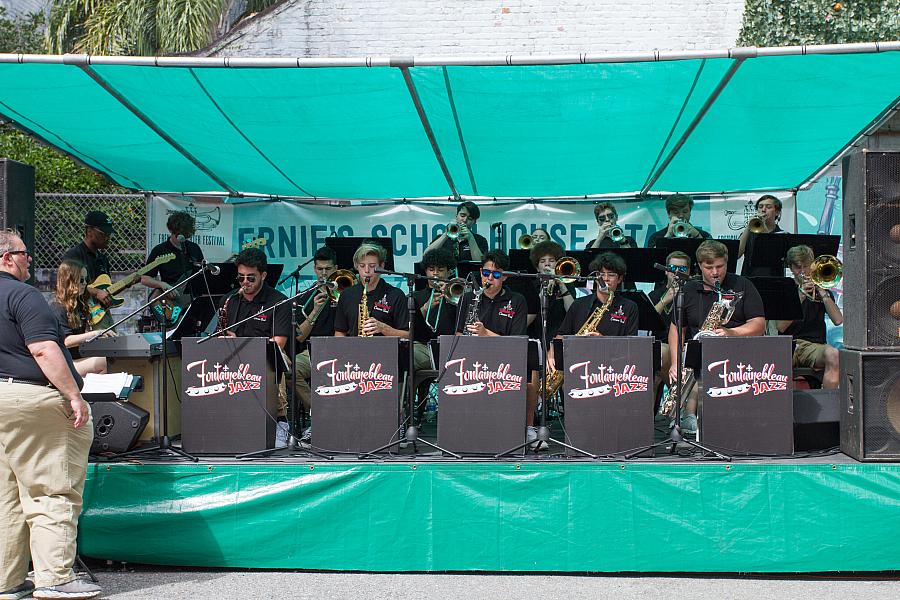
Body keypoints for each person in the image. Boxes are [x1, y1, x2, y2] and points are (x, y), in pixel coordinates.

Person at [0, 230, 102, 600]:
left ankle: (7, 582)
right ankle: (56, 577)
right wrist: (73, 395)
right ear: (7, 258)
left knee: (6, 496)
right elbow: (43, 349)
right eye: (25, 253)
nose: (30, 260)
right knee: (50, 488)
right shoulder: (23, 294)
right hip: (33, 400)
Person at [667, 240, 765, 432]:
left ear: (727, 263)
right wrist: (675, 362)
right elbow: (677, 328)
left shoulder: (742, 285)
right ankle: (684, 415)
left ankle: (691, 414)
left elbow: (758, 324)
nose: (715, 272)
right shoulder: (688, 289)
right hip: (698, 350)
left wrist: (731, 332)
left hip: (737, 349)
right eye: (708, 267)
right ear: (699, 266)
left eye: (720, 266)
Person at [217, 248, 293, 447]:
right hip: (232, 361)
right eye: (241, 278)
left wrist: (240, 340)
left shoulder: (278, 301)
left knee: (277, 363)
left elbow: (278, 343)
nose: (245, 283)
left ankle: (281, 424)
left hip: (267, 359)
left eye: (251, 278)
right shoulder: (229, 300)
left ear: (263, 275)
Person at [64, 210, 169, 321]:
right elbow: (67, 285)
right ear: (89, 231)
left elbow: (107, 291)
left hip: (100, 314)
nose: (108, 237)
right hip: (77, 313)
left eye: (109, 234)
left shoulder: (102, 259)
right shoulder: (74, 255)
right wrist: (96, 293)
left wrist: (128, 283)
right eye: (103, 234)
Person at [523, 241, 575, 445]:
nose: (547, 265)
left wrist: (561, 283)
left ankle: (572, 425)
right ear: (537, 266)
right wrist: (544, 288)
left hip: (561, 342)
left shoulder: (566, 283)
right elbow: (531, 315)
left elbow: (573, 311)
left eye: (552, 261)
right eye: (543, 262)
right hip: (537, 340)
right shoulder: (530, 286)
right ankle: (532, 423)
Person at [776, 245, 843, 389]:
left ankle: (828, 404)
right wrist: (800, 295)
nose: (803, 272)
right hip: (788, 344)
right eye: (798, 268)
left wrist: (822, 291)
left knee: (834, 354)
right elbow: (781, 327)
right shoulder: (785, 289)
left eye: (806, 267)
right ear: (791, 268)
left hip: (813, 346)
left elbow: (838, 320)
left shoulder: (822, 290)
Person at [294, 246, 339, 443]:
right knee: (289, 369)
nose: (324, 273)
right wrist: (314, 312)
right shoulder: (306, 297)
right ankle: (320, 416)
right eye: (320, 269)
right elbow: (299, 337)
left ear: (336, 269)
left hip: (342, 351)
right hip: (313, 351)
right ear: (314, 269)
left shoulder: (347, 291)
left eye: (328, 269)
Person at [49, 259, 110, 378]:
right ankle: (88, 392)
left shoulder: (79, 304)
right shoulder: (58, 307)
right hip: (64, 364)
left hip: (78, 359)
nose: (85, 284)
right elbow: (65, 341)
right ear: (69, 281)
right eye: (81, 280)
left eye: (86, 280)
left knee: (114, 358)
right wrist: (96, 333)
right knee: (106, 362)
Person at [334, 242, 409, 338]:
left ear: (381, 266)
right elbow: (340, 332)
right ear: (356, 266)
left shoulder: (396, 295)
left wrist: (384, 328)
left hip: (386, 350)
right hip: (353, 350)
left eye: (372, 266)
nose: (366, 270)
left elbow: (408, 335)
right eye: (362, 266)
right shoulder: (346, 295)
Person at [647, 251, 691, 405]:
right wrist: (664, 300)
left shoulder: (692, 293)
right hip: (659, 349)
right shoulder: (655, 294)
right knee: (651, 377)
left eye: (683, 269)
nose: (677, 272)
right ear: (666, 271)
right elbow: (646, 322)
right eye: (672, 268)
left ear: (689, 272)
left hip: (685, 347)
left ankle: (679, 406)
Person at [146, 210, 205, 287]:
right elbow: (145, 278)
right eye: (178, 234)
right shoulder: (159, 250)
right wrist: (161, 284)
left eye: (185, 234)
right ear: (170, 229)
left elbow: (202, 274)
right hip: (170, 295)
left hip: (191, 294)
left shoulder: (194, 248)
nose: (182, 237)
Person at [425, 201, 489, 262]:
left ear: (474, 222)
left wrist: (471, 239)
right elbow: (426, 256)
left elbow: (481, 263)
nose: (464, 220)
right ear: (456, 216)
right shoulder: (442, 238)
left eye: (470, 218)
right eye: (462, 216)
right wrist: (446, 234)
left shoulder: (480, 240)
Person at [738, 194, 784, 276]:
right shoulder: (749, 233)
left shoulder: (782, 235)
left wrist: (763, 226)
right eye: (760, 207)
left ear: (777, 212)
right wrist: (748, 227)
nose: (763, 210)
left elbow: (772, 254)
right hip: (749, 278)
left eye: (768, 207)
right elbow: (737, 254)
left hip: (774, 279)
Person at [646, 194, 711, 247]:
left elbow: (712, 256)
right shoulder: (656, 237)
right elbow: (652, 257)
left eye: (685, 212)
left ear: (690, 213)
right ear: (669, 214)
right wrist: (668, 235)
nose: (681, 216)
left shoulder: (704, 235)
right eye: (676, 212)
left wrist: (697, 236)